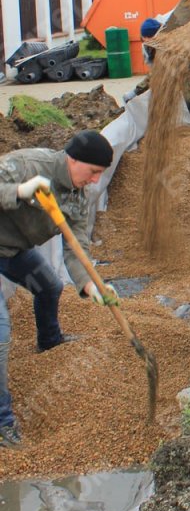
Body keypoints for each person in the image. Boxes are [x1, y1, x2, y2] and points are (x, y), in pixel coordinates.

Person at [0, 130, 118, 448]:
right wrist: (20, 191)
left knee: (50, 286)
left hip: (10, 250)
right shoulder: (28, 165)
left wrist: (91, 286)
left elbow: (76, 246)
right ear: (74, 159)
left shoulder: (77, 197)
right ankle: (2, 420)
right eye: (93, 172)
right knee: (0, 330)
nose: (95, 181)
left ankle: (49, 342)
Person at [123, 17, 190, 138]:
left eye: (150, 37)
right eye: (145, 38)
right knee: (161, 101)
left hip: (184, 68)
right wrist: (135, 92)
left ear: (158, 34)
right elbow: (154, 73)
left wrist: (136, 91)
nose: (147, 40)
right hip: (164, 71)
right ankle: (162, 130)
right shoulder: (148, 46)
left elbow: (187, 59)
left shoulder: (172, 41)